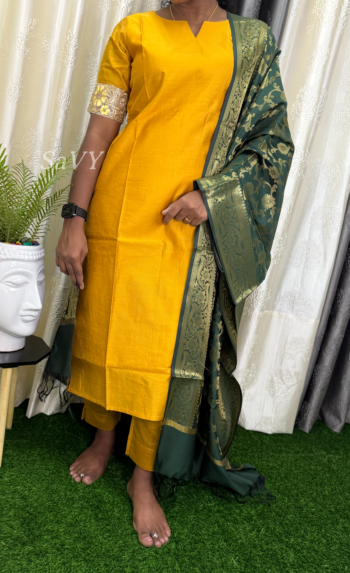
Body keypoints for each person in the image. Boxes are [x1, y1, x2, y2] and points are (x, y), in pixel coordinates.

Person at [55, 0, 294, 548]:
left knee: (164, 348)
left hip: (191, 224)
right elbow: (99, 133)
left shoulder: (252, 42)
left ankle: (143, 476)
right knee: (112, 327)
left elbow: (273, 143)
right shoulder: (133, 31)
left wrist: (213, 198)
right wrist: (74, 218)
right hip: (121, 209)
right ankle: (103, 436)